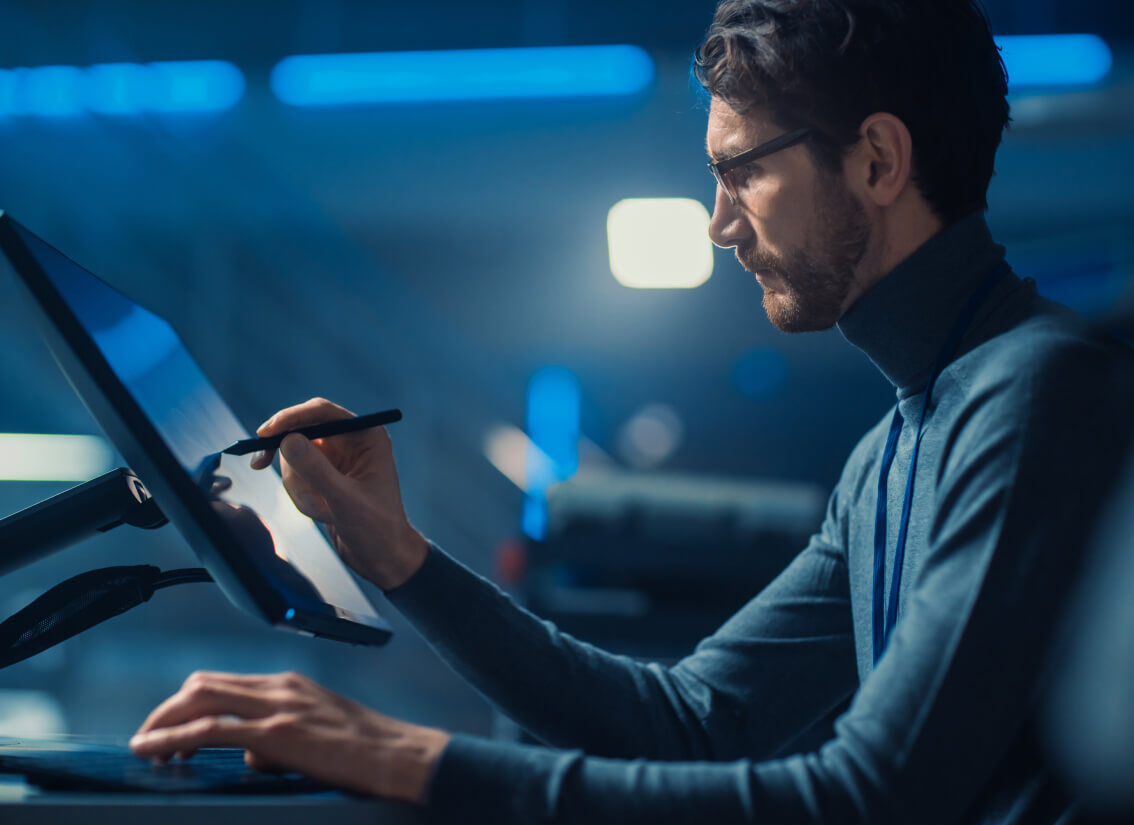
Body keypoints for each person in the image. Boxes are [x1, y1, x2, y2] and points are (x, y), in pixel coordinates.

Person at [129, 1, 1134, 821]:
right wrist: (400, 557)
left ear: (877, 160)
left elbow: (873, 800)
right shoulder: (902, 441)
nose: (719, 224)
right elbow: (692, 723)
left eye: (743, 170)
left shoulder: (1036, 392)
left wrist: (411, 760)